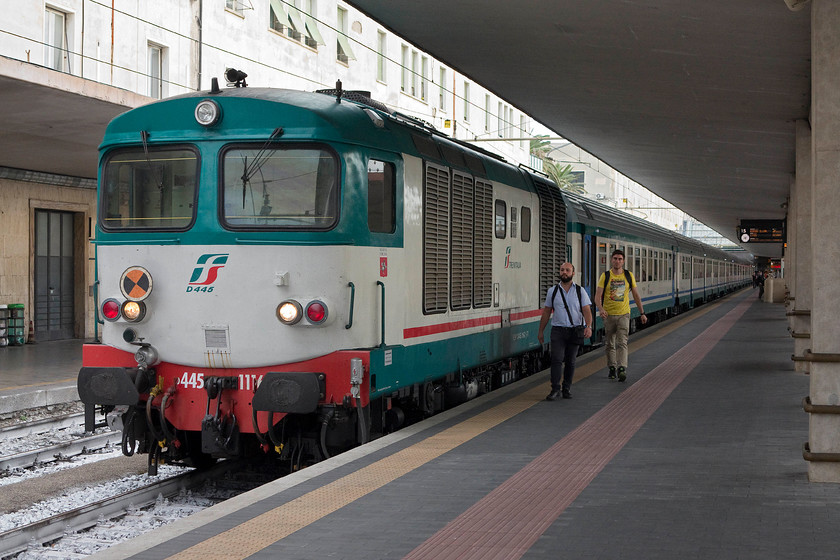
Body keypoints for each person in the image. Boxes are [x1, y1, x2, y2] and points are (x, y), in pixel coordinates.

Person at [537, 262, 593, 401]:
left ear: (573, 273)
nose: (564, 272)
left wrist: (589, 326)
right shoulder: (553, 291)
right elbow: (546, 312)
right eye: (562, 270)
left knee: (571, 361)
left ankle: (566, 388)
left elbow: (586, 310)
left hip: (575, 330)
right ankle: (555, 388)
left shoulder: (580, 291)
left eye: (567, 270)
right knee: (556, 359)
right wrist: (541, 331)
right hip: (558, 330)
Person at [594, 249, 647, 383]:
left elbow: (635, 295)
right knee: (609, 343)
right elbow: (597, 296)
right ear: (611, 260)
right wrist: (600, 309)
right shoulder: (605, 276)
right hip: (608, 315)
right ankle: (612, 367)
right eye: (615, 258)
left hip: (624, 314)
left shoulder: (629, 276)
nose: (617, 261)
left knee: (622, 342)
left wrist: (642, 313)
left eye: (620, 259)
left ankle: (622, 368)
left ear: (623, 261)